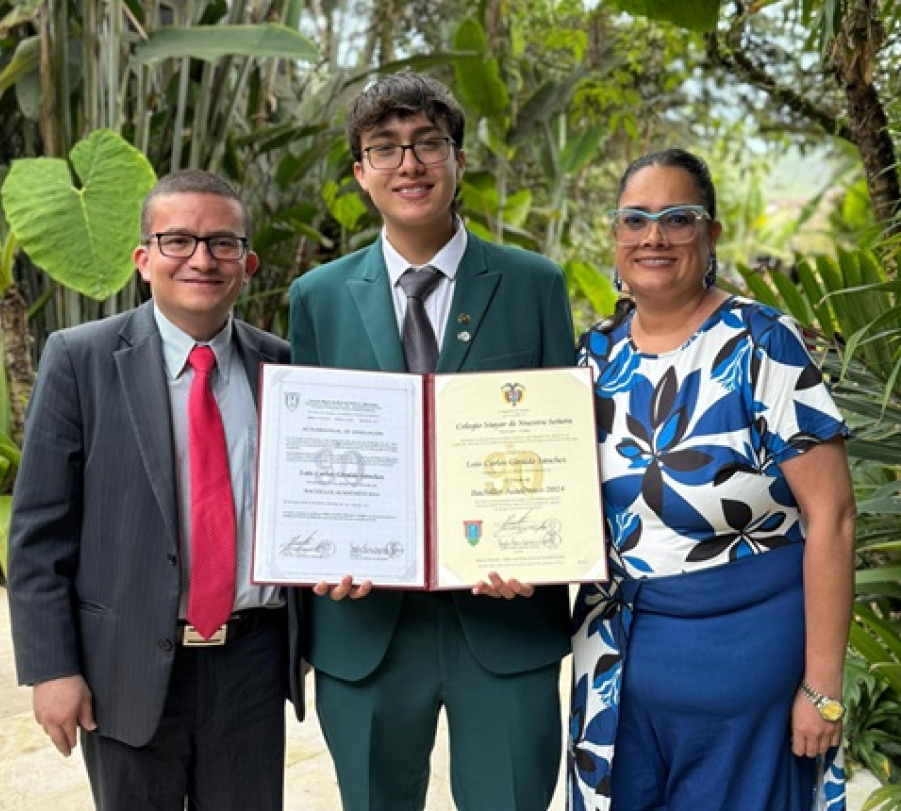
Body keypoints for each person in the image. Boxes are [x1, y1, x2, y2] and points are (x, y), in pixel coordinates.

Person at [287, 71, 576, 810]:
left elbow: (560, 449)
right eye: (384, 148)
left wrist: (543, 550)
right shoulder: (317, 297)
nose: (408, 164)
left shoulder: (534, 283)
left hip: (505, 619)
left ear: (458, 160)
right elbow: (308, 457)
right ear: (360, 172)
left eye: (427, 143)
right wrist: (320, 552)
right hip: (366, 626)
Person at [567, 148, 855, 810]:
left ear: (711, 234)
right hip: (614, 679)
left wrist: (822, 688)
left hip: (747, 678)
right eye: (635, 219)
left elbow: (833, 517)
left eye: (677, 218)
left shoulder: (762, 343)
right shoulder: (593, 355)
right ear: (614, 236)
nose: (654, 236)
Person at [8, 169, 304, 810]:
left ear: (247, 264)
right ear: (144, 260)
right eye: (178, 241)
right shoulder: (80, 359)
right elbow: (38, 535)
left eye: (222, 243)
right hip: (123, 668)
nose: (202, 259)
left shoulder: (285, 368)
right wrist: (52, 669)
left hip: (251, 665)